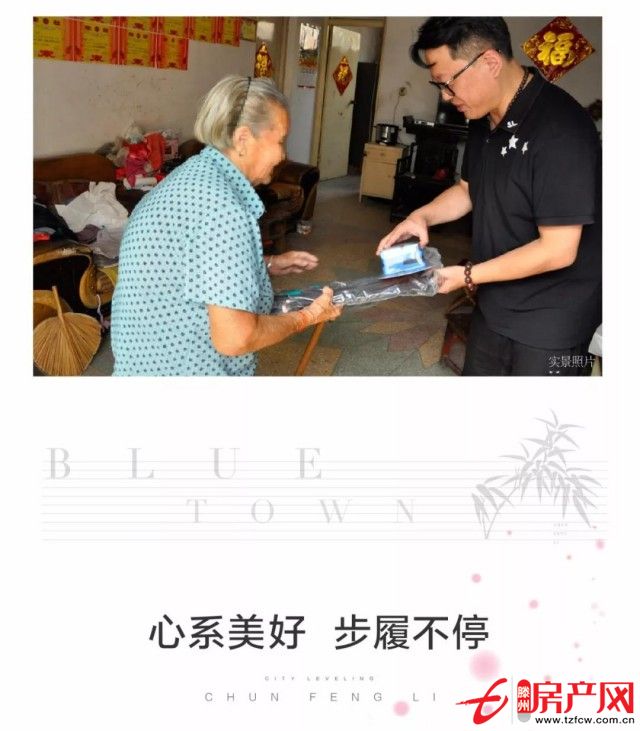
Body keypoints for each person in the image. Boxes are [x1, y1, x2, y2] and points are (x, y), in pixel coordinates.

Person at [377, 18, 601, 376]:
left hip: (553, 324)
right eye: (438, 85)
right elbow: (468, 189)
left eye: (448, 83)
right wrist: (421, 217)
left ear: (490, 62)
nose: (445, 96)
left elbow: (559, 249)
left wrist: (467, 275)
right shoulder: (481, 117)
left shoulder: (562, 130)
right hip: (494, 302)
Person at [111, 75, 341, 376]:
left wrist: (266, 264)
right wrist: (307, 316)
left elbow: (190, 266)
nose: (283, 155)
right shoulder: (223, 208)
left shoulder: (195, 176)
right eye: (280, 141)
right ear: (243, 139)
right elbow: (236, 338)